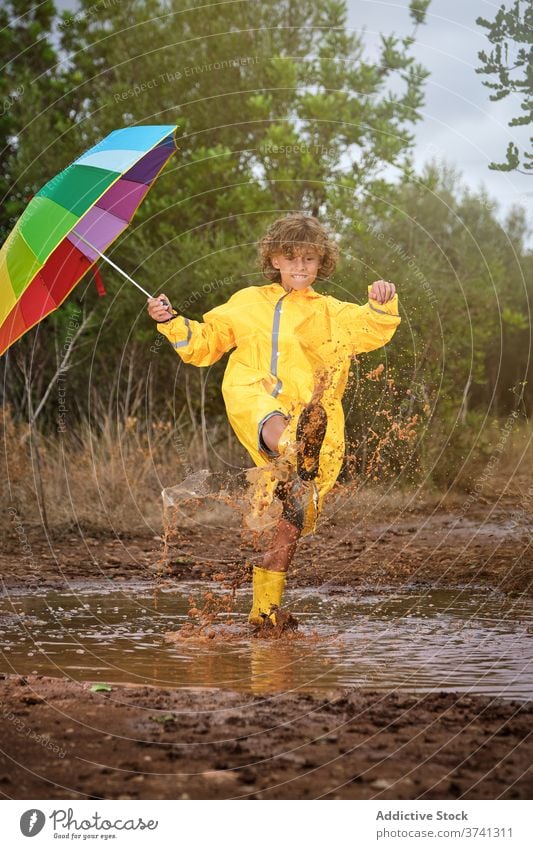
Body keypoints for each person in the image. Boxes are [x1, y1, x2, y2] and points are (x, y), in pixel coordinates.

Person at [147, 213, 400, 626]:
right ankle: (293, 449)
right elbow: (205, 344)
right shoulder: (246, 302)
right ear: (275, 260)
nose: (301, 266)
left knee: (292, 518)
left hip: (315, 413)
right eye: (291, 257)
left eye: (310, 259)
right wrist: (170, 321)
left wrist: (382, 300)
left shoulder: (332, 311)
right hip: (255, 396)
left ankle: (263, 612)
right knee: (276, 423)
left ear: (321, 264)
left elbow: (373, 328)